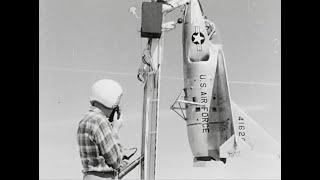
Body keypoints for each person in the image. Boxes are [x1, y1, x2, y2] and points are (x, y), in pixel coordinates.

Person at [77, 79, 128, 180]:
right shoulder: (100, 121)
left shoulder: (84, 120)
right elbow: (115, 161)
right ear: (110, 100)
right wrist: (115, 130)